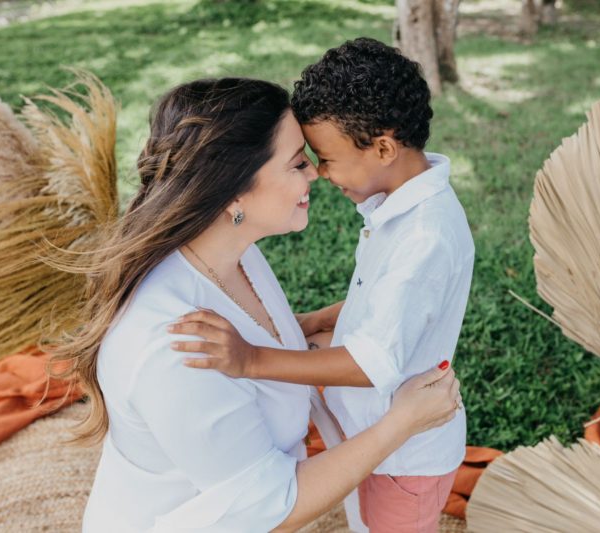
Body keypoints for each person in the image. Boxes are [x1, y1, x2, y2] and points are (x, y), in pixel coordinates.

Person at [48, 77, 462, 532]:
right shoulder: (176, 346)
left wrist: (325, 322)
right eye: (297, 162)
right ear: (235, 192)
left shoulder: (233, 255)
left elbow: (261, 335)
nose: (315, 173)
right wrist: (402, 422)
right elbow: (273, 509)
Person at [169, 38, 475, 532]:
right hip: (378, 437)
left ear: (383, 148)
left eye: (327, 159)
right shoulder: (400, 206)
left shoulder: (425, 236)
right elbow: (383, 299)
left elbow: (369, 363)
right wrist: (310, 323)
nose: (319, 173)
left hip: (403, 460)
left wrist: (251, 359)